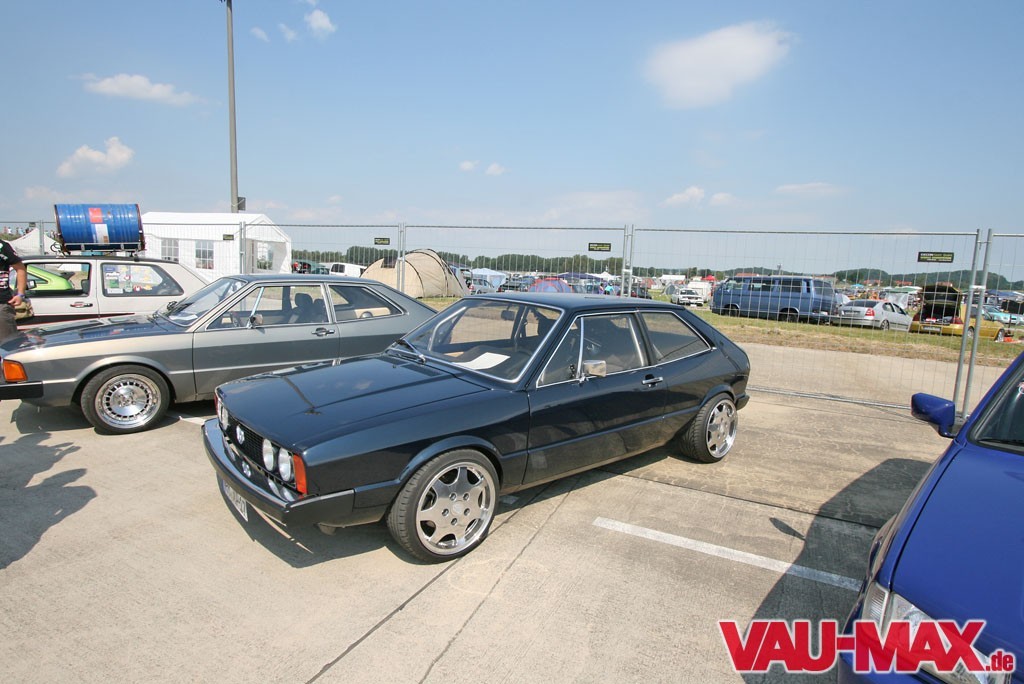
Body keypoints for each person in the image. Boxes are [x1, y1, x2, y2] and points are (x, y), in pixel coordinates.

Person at [1, 238, 28, 342]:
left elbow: (20, 269)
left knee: (7, 344)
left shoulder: (2, 247)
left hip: (1, 303)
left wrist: (20, 294)